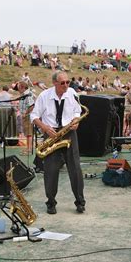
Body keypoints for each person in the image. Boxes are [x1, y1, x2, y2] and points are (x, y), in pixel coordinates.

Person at [30, 72, 85, 214]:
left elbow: (77, 111)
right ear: (54, 83)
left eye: (68, 82)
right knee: (50, 171)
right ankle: (51, 203)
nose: (66, 85)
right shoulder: (44, 96)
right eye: (63, 83)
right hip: (51, 133)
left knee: (75, 169)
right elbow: (34, 116)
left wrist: (76, 121)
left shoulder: (72, 93)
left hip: (69, 133)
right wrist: (45, 128)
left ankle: (80, 201)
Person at [17, 81, 35, 156]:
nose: (18, 89)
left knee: (29, 133)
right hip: (25, 116)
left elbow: (32, 105)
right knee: (27, 134)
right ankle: (28, 148)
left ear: (23, 87)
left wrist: (25, 113)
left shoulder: (28, 95)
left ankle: (29, 149)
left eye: (19, 88)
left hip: (28, 116)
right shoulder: (23, 95)